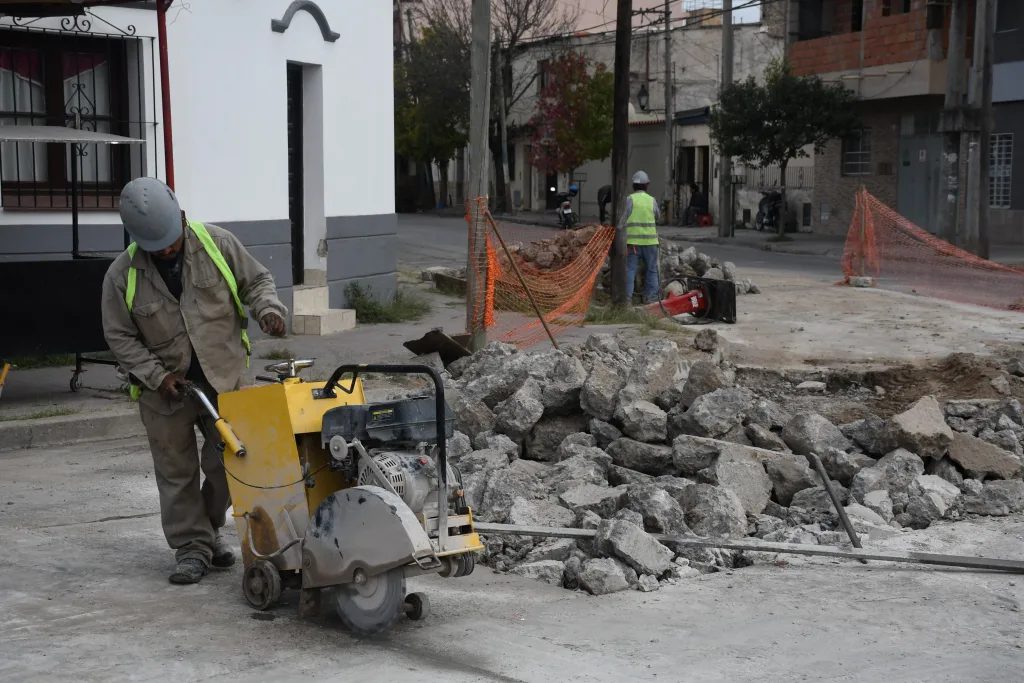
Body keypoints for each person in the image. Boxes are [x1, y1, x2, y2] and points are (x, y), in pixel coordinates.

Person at [101, 177, 288, 585]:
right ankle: (192, 547)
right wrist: (156, 375)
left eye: (171, 241)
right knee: (176, 473)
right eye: (157, 248)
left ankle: (209, 527)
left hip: (225, 380)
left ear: (182, 218)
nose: (167, 251)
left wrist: (268, 309)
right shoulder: (121, 276)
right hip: (165, 391)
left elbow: (256, 282)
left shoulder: (218, 245)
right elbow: (119, 337)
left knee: (230, 462)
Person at [618, 170, 661, 303]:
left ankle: (627, 300)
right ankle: (651, 299)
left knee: (630, 271)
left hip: (633, 244)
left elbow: (622, 220)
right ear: (646, 185)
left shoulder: (629, 200)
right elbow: (658, 217)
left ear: (633, 185)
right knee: (652, 270)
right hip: (651, 243)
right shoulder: (651, 200)